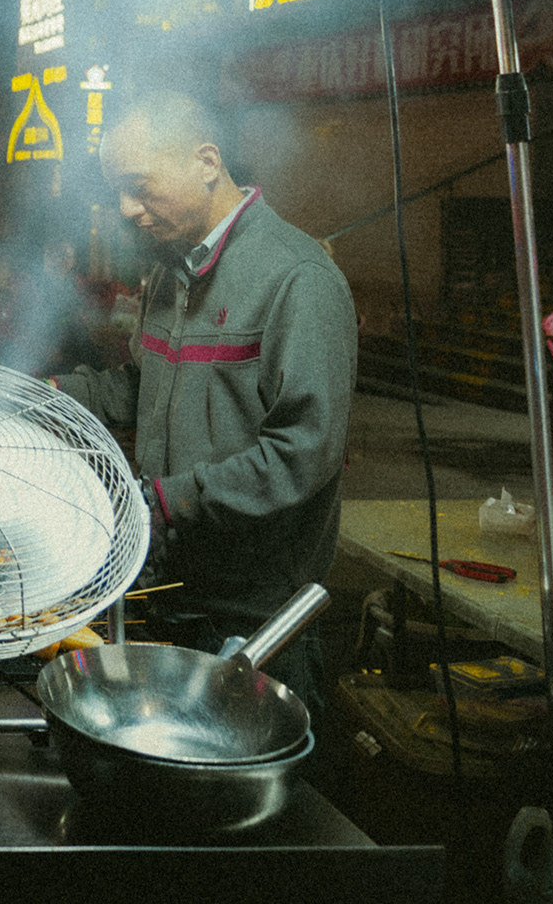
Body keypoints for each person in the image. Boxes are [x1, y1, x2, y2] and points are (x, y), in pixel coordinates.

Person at [49, 91, 356, 735]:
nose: (127, 210)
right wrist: (35, 398)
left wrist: (167, 502)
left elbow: (305, 452)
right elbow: (141, 386)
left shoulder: (297, 279)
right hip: (173, 594)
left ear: (207, 162)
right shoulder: (170, 273)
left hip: (258, 620)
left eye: (139, 187)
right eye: (118, 193)